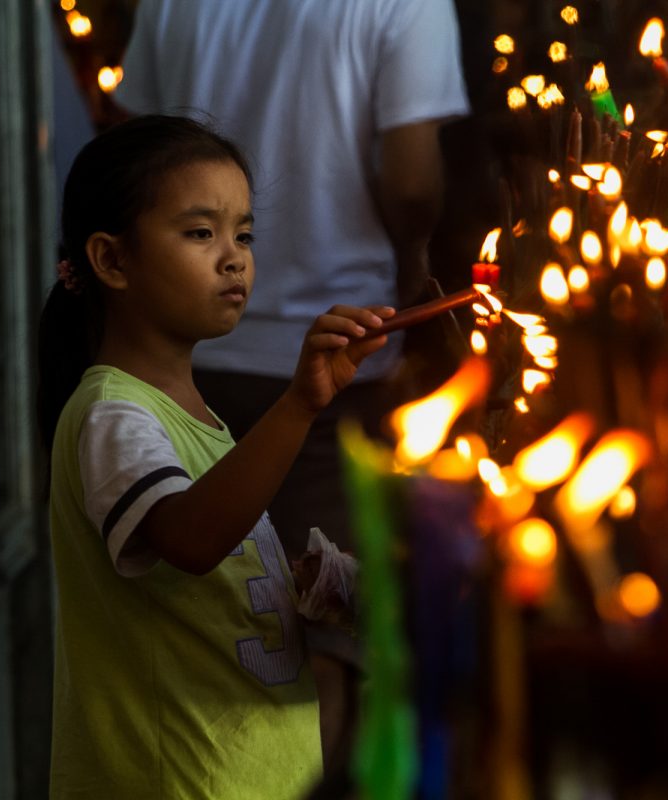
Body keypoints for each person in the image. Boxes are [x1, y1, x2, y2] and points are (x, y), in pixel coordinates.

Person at [38, 114, 392, 799]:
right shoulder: (112, 414)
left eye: (244, 234)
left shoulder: (197, 421)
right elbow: (191, 539)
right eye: (201, 233)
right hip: (179, 780)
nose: (234, 257)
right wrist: (299, 404)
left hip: (248, 776)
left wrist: (318, 584)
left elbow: (205, 588)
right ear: (111, 260)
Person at [113, 0, 470, 558]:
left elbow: (130, 153)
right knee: (327, 598)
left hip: (183, 353)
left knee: (204, 603)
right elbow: (412, 183)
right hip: (337, 348)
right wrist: (413, 258)